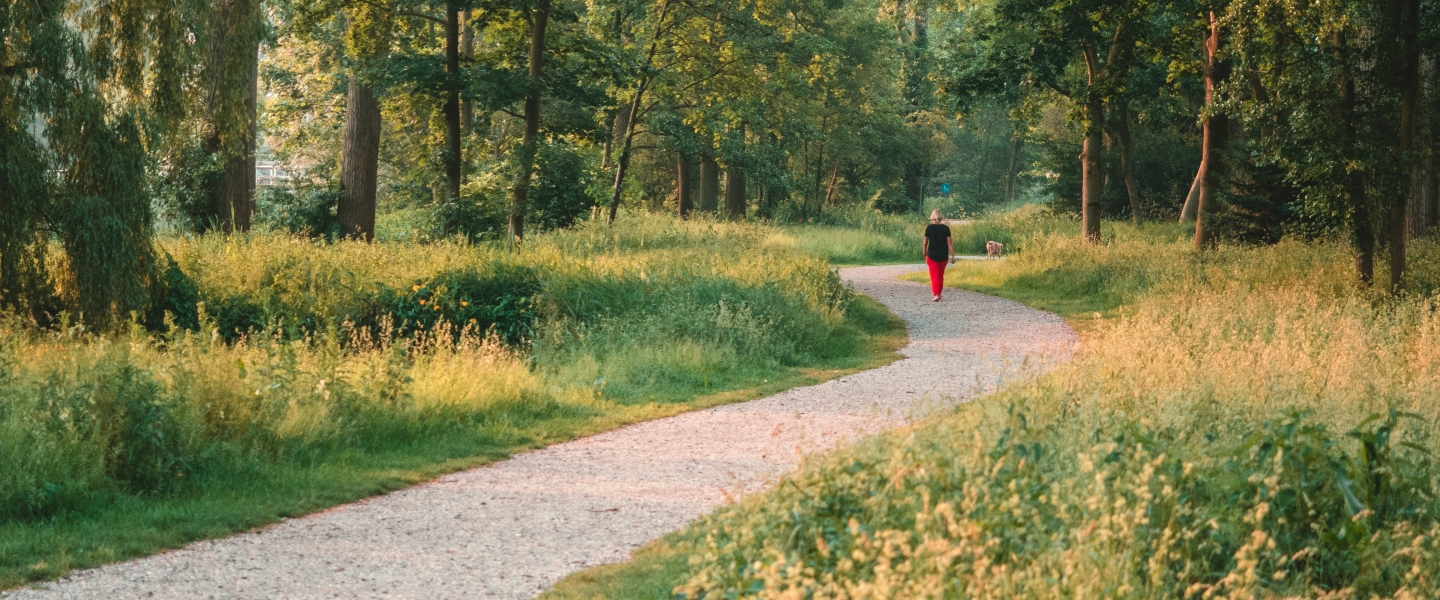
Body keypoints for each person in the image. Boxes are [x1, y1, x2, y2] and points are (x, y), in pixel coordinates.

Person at [922, 209, 954, 302]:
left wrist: (924, 251)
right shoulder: (946, 228)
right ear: (941, 217)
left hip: (932, 255)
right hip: (943, 256)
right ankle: (939, 293)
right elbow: (949, 243)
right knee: (940, 275)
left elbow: (925, 242)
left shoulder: (929, 228)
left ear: (932, 217)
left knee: (934, 276)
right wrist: (952, 255)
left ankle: (937, 294)